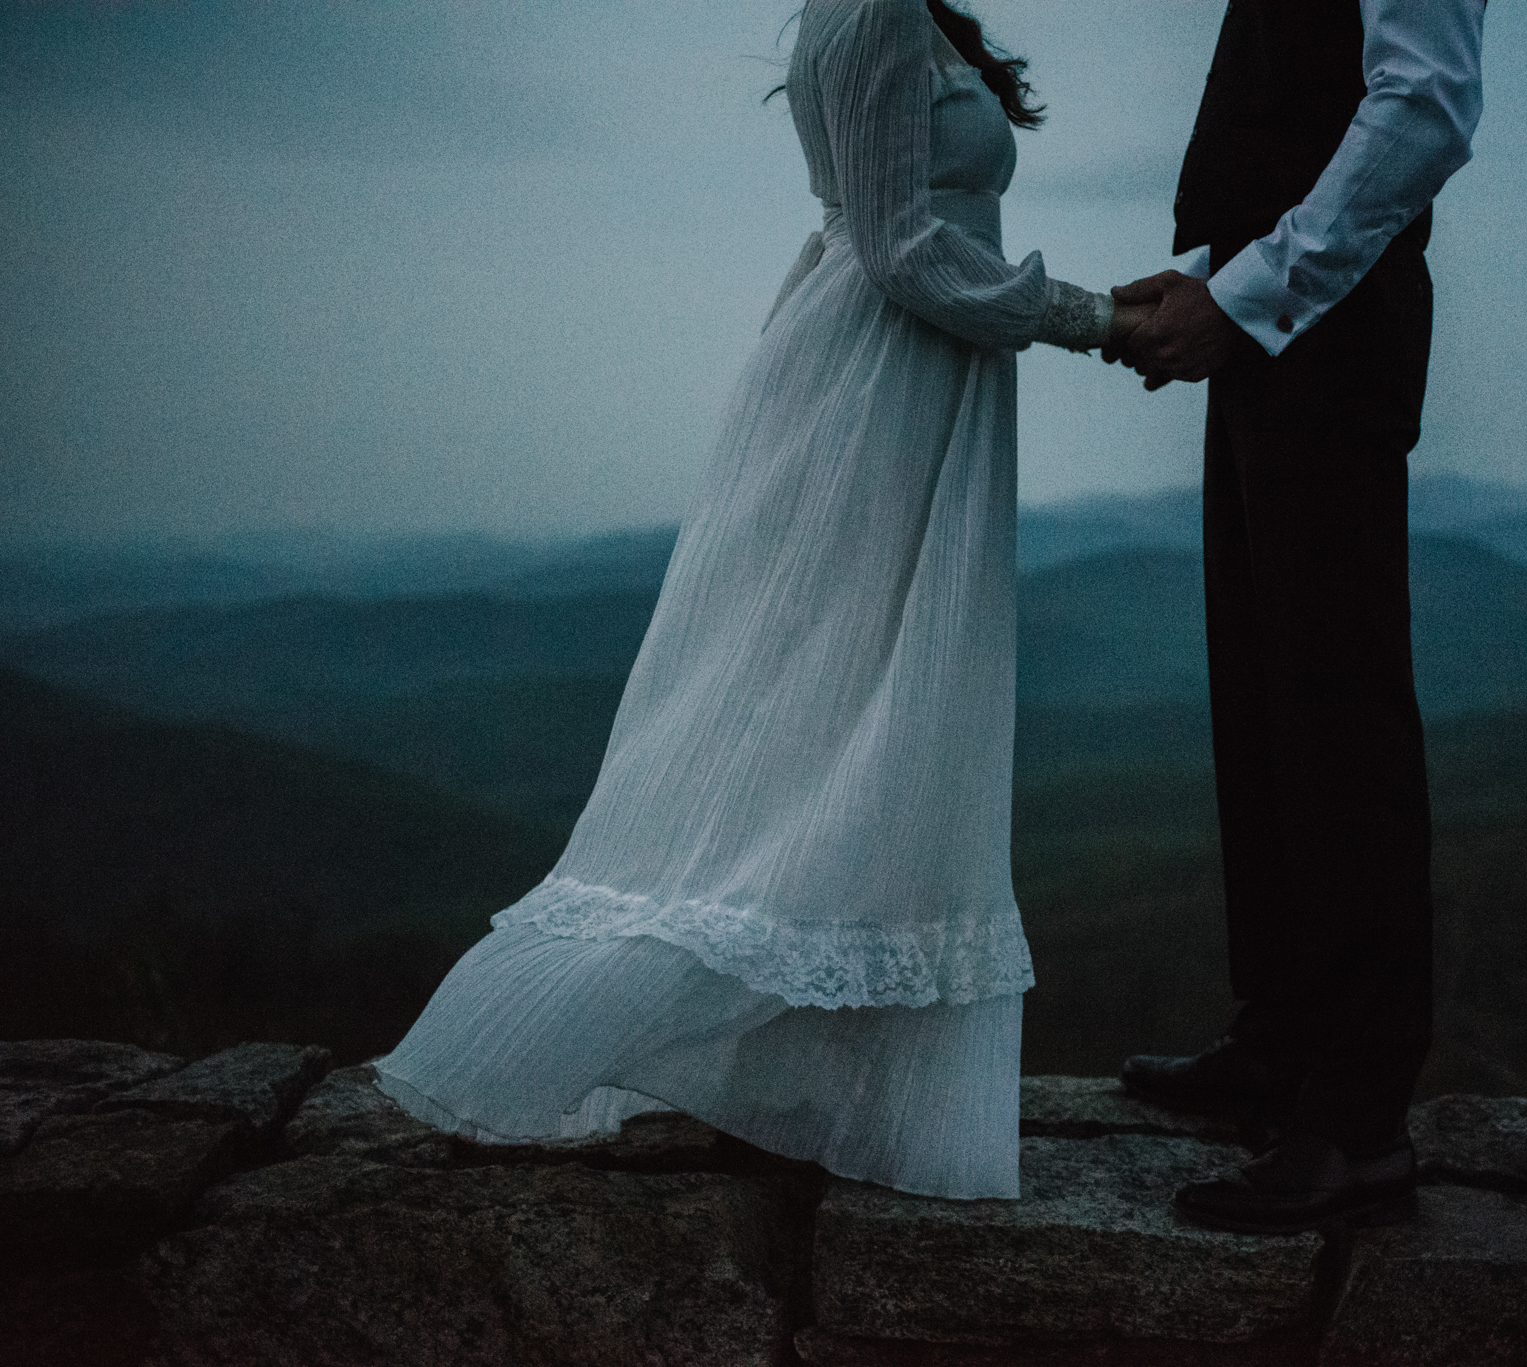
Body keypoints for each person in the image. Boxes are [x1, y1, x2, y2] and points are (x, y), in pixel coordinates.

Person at [372, 0, 1137, 1201]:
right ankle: (579, 1034)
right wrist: (1087, 316)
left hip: (903, 373)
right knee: (836, 701)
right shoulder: (877, 10)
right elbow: (905, 250)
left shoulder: (897, 10)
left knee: (854, 708)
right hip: (882, 376)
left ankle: (807, 1072)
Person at [1104, 0, 1487, 1234]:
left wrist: (1254, 290)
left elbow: (1420, 105)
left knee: (1335, 706)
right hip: (1275, 326)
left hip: (1332, 324)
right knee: (1264, 694)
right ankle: (1283, 1037)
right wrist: (1218, 283)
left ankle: (1356, 1116)